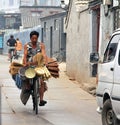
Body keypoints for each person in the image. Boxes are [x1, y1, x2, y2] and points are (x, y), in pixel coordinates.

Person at [23, 31, 48, 106]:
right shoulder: (27, 45)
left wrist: (45, 62)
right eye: (33, 38)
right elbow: (25, 55)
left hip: (39, 64)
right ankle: (27, 85)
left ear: (37, 38)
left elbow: (43, 54)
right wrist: (25, 63)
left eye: (35, 38)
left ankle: (41, 100)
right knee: (26, 74)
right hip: (29, 64)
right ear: (30, 38)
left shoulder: (41, 45)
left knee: (42, 82)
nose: (34, 40)